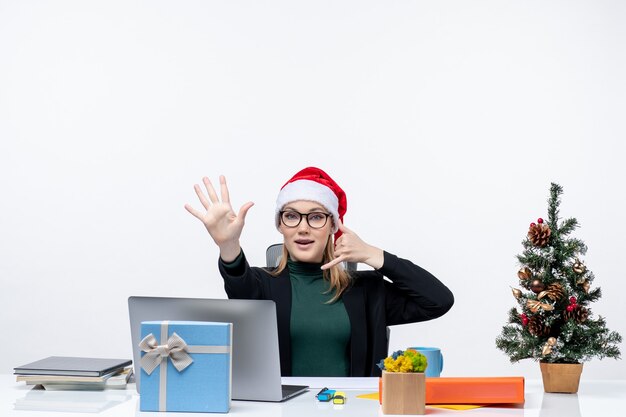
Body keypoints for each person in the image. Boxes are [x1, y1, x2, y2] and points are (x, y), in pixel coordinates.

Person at [185, 167, 454, 377]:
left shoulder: (366, 290)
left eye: (315, 216)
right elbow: (238, 281)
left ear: (332, 227)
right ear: (281, 225)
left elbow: (438, 300)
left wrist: (375, 255)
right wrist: (228, 245)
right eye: (292, 216)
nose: (303, 227)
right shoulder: (262, 285)